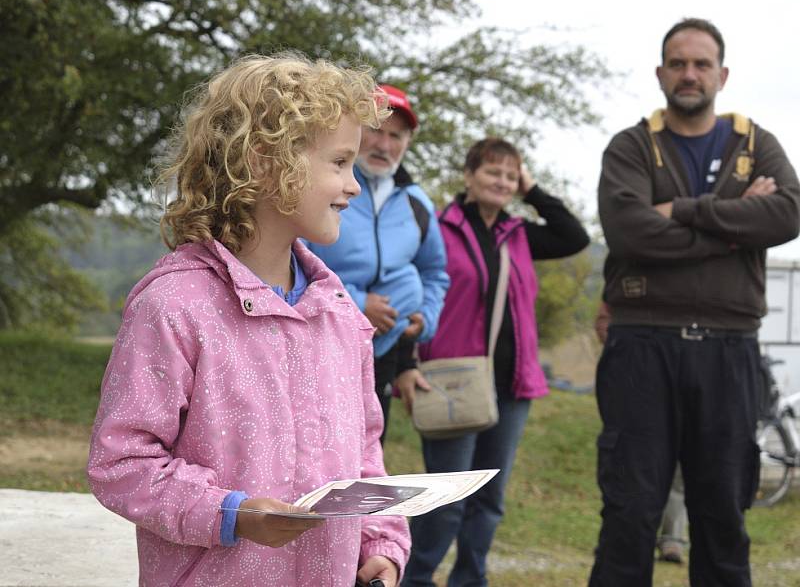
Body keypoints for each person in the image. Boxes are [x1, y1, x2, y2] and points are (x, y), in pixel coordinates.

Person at [86, 53, 410, 587]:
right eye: (338, 162)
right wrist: (231, 513)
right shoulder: (173, 307)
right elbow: (122, 463)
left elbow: (365, 453)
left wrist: (378, 541)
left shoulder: (340, 314)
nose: (353, 185)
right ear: (265, 161)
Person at [589, 18, 800, 587]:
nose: (689, 74)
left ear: (721, 74)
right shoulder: (632, 146)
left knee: (723, 516)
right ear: (661, 73)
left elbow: (787, 213)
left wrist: (683, 210)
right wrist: (736, 221)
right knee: (630, 513)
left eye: (701, 64)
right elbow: (632, 233)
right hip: (641, 346)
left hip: (730, 351)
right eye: (678, 63)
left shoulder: (756, 144)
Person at [399, 137, 590, 586]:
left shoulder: (519, 234)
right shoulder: (436, 229)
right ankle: (415, 577)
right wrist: (407, 360)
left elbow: (574, 236)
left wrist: (533, 191)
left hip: (513, 384)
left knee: (490, 498)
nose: (501, 181)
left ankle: (471, 578)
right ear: (469, 175)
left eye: (510, 174)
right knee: (446, 499)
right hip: (452, 379)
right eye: (492, 172)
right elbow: (414, 297)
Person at [307, 84, 449, 442]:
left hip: (381, 355)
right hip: (316, 344)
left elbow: (434, 272)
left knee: (369, 455)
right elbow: (289, 257)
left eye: (396, 136)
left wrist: (426, 316)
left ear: (408, 142)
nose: (385, 145)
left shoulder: (417, 202)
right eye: (376, 130)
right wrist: (356, 305)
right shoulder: (321, 184)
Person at [594, 301, 688, 565]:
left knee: (678, 468)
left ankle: (672, 539)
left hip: (684, 381)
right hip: (637, 382)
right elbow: (604, 319)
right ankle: (627, 540)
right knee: (630, 467)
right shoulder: (632, 272)